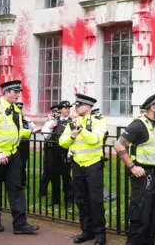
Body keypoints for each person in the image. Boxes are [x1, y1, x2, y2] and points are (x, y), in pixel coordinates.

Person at [0, 80, 40, 234]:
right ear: (6, 92)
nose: (18, 95)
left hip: (13, 155)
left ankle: (20, 224)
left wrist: (30, 132)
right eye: (15, 92)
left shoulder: (15, 108)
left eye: (18, 92)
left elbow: (17, 131)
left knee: (17, 188)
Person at [113, 91, 155, 245]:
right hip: (144, 178)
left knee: (154, 218)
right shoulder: (138, 125)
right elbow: (118, 145)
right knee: (140, 219)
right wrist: (132, 166)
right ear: (153, 107)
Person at [59, 94, 108, 245]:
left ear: (87, 107)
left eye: (78, 105)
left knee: (95, 200)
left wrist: (80, 130)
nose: (75, 108)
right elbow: (62, 142)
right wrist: (72, 137)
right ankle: (87, 231)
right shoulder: (73, 122)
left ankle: (100, 234)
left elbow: (94, 140)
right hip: (77, 164)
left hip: (93, 165)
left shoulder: (99, 121)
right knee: (81, 200)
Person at [41, 100, 74, 207]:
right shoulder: (52, 121)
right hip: (53, 150)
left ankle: (68, 199)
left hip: (65, 151)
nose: (67, 110)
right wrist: (50, 128)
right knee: (54, 175)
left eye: (69, 108)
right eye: (65, 108)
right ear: (60, 110)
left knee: (66, 176)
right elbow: (46, 135)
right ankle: (55, 199)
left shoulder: (72, 122)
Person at [39, 104, 60, 197]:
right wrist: (50, 125)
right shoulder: (49, 121)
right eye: (54, 112)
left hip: (59, 149)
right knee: (47, 171)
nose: (56, 113)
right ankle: (42, 191)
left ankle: (59, 194)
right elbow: (45, 134)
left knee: (57, 172)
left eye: (57, 112)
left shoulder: (63, 121)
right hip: (49, 148)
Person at [16, 102, 37, 188]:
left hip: (24, 145)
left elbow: (33, 128)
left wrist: (29, 120)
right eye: (18, 108)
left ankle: (23, 182)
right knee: (17, 165)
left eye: (21, 109)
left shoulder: (25, 120)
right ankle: (17, 182)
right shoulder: (13, 119)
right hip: (17, 144)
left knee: (23, 164)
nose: (20, 110)